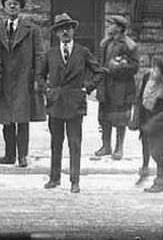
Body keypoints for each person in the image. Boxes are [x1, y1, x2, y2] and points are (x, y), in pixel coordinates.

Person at [37, 13, 104, 193]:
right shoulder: (50, 53)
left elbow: (99, 72)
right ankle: (54, 178)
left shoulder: (83, 52)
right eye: (61, 29)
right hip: (56, 103)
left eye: (68, 28)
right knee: (56, 142)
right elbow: (39, 76)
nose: (65, 31)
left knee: (75, 143)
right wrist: (47, 90)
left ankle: (75, 181)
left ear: (73, 30)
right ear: (57, 33)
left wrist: (86, 88)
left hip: (75, 103)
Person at [0, 0, 45, 168]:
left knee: (22, 118)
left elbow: (39, 54)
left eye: (16, 3)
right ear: (4, 7)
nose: (12, 6)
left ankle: (22, 156)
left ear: (20, 7)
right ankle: (9, 155)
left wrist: (38, 77)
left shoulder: (32, 29)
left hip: (24, 79)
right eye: (9, 3)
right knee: (6, 119)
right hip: (5, 80)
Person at [131, 58, 163, 193]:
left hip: (160, 126)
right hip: (146, 117)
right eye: (155, 69)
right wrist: (136, 118)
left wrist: (153, 125)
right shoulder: (147, 77)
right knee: (145, 145)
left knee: (159, 152)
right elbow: (140, 98)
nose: (154, 72)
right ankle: (144, 170)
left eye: (158, 71)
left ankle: (159, 180)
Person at [95, 15, 140, 160]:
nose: (108, 26)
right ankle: (106, 146)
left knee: (120, 118)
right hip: (106, 85)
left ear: (120, 28)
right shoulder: (105, 43)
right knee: (104, 117)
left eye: (111, 24)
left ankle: (119, 147)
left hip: (122, 86)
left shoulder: (129, 45)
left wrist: (118, 67)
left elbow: (134, 67)